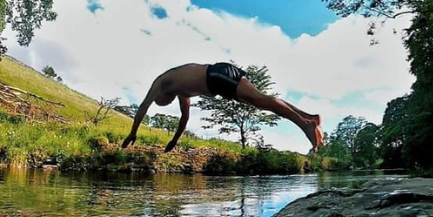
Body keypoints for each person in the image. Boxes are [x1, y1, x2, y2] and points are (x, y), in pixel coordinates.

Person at [121, 62, 324, 153]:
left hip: (217, 76)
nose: (169, 103)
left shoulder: (163, 81)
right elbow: (184, 119)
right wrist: (174, 140)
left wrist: (132, 133)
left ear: (162, 95)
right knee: (262, 101)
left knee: (260, 101)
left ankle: (304, 124)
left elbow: (143, 107)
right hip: (220, 77)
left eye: (164, 102)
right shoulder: (181, 92)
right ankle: (309, 117)